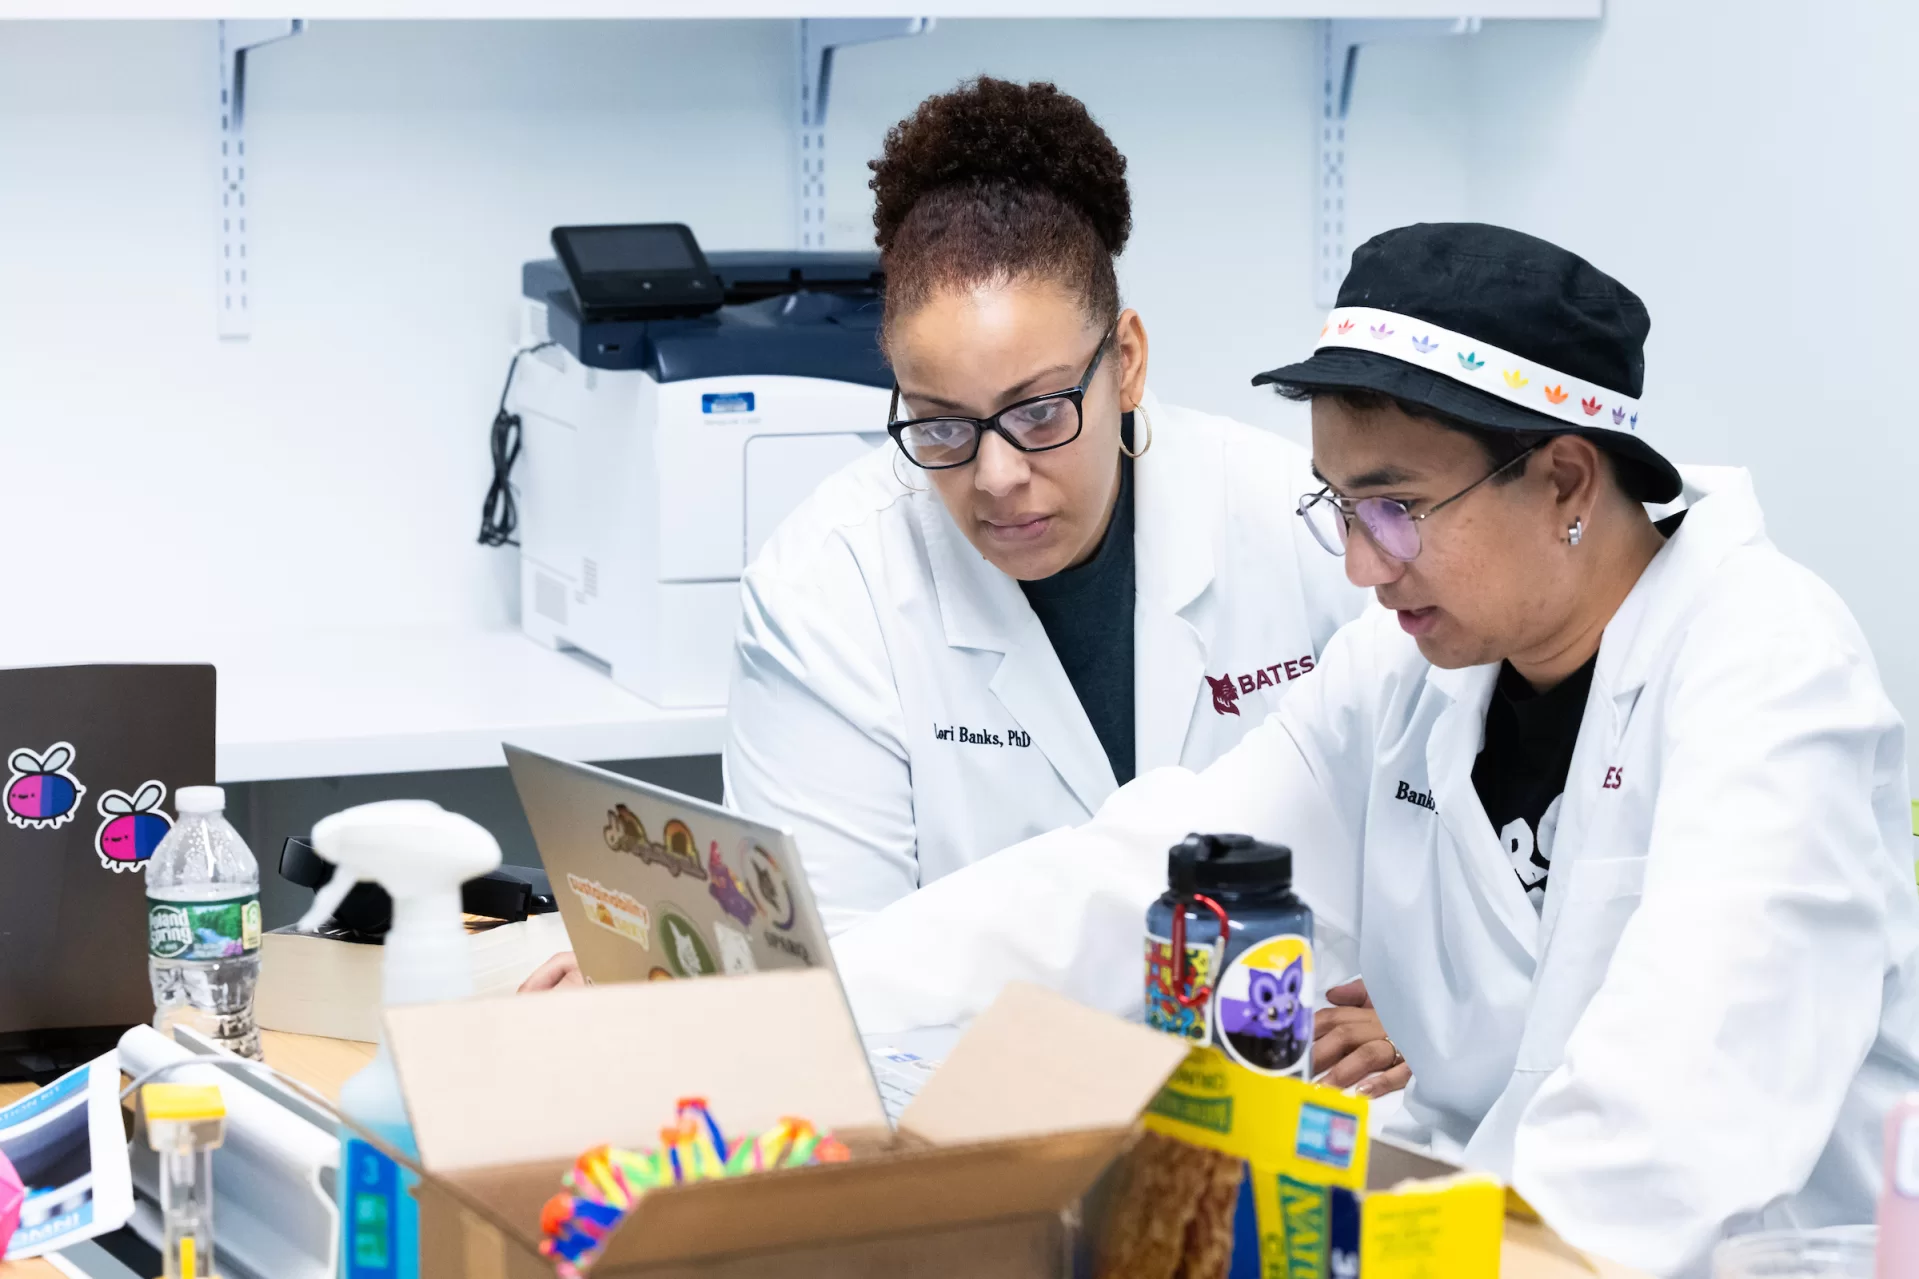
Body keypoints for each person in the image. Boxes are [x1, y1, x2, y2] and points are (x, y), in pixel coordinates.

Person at [827, 222, 1919, 1276]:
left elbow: (1676, 1120)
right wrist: (816, 989)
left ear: (1566, 483)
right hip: (1478, 1237)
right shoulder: (1401, 676)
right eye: (1339, 507)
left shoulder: (1767, 667)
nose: (1360, 565)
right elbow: (1144, 871)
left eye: (1394, 508)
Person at [526, 76, 1390, 1089]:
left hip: (1293, 1108)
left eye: (1036, 413)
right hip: (981, 1123)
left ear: (1127, 360)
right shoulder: (828, 588)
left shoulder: (1299, 520)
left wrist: (1410, 1005)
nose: (994, 476)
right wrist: (719, 1001)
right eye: (937, 424)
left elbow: (1419, 858)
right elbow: (831, 1004)